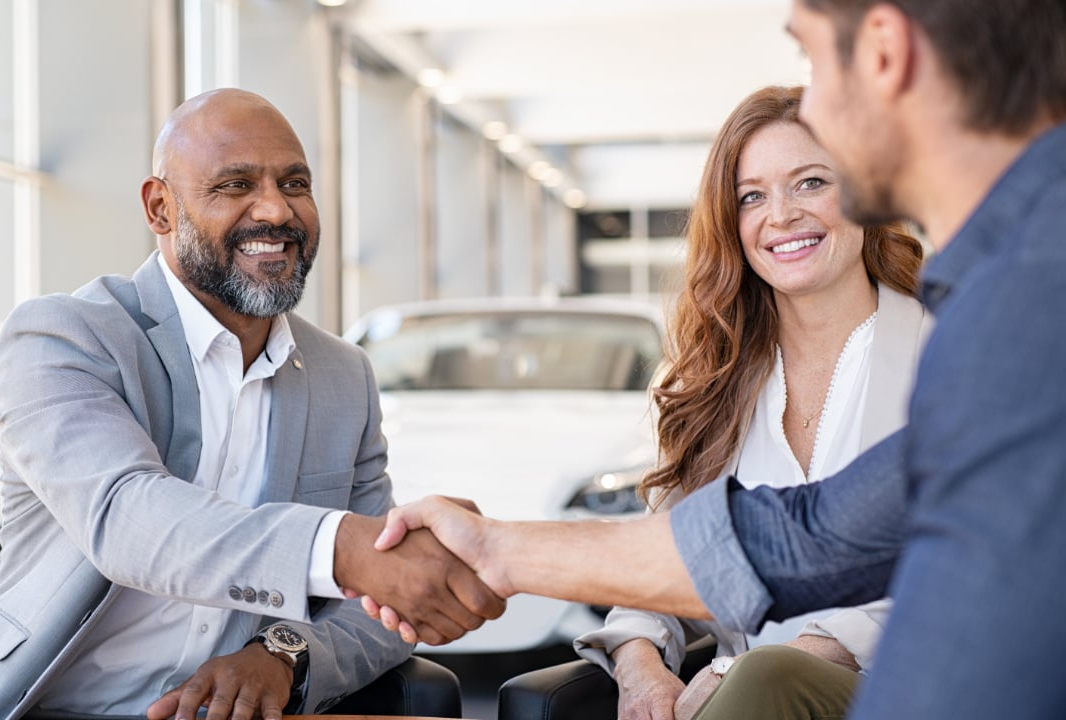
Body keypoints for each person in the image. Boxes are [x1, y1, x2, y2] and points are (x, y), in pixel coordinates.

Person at [367, 1, 1066, 717]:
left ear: (886, 51)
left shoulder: (1003, 311)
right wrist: (499, 549)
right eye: (752, 196)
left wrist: (785, 662)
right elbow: (807, 539)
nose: (783, 212)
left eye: (813, 63)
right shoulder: (1001, 290)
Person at [0, 88, 504, 720]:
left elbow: (378, 608)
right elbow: (128, 517)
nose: (276, 211)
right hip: (49, 707)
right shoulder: (62, 337)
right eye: (234, 185)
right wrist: (342, 550)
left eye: (295, 183)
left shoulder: (344, 376)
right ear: (160, 208)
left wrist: (284, 653)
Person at [573, 84, 927, 720]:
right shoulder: (716, 377)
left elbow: (951, 565)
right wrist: (640, 665)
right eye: (752, 197)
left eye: (812, 182)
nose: (781, 215)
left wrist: (741, 668)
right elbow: (662, 555)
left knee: (769, 678)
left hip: (907, 686)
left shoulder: (944, 350)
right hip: (736, 700)